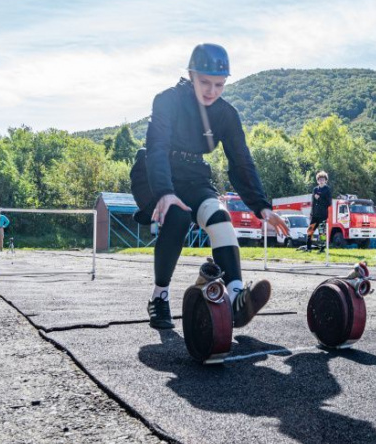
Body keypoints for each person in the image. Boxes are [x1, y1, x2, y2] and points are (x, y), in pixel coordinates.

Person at [135, 43, 290, 330]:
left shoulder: (226, 115)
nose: (211, 91)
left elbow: (241, 162)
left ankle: (235, 300)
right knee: (177, 216)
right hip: (155, 173)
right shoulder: (167, 100)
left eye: (219, 84)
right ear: (191, 75)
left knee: (220, 217)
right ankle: (159, 297)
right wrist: (165, 193)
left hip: (194, 175)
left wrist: (262, 206)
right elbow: (156, 147)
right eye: (205, 82)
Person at [305, 171, 332, 252]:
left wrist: (319, 198)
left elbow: (329, 203)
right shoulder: (315, 189)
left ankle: (322, 248)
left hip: (323, 215)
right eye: (319, 179)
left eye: (323, 179)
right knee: (310, 231)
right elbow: (313, 202)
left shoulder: (327, 189)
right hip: (314, 215)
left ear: (325, 180)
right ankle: (308, 248)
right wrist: (311, 213)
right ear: (317, 180)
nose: (321, 181)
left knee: (322, 233)